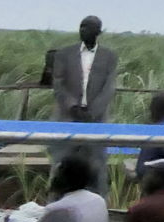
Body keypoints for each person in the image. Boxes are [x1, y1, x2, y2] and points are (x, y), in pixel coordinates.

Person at [46, 16, 119, 190]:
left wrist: (92, 112)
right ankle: (56, 203)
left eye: (88, 27)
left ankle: (98, 205)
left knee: (97, 165)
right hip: (68, 119)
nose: (83, 30)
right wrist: (73, 107)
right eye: (81, 27)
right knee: (60, 164)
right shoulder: (64, 54)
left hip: (95, 121)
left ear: (99, 32)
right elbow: (58, 84)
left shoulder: (109, 56)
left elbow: (109, 87)